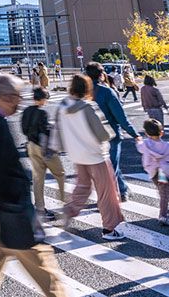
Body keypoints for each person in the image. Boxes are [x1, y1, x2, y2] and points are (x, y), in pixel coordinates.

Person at [0, 75, 67, 297]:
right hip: (12, 214)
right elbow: (4, 173)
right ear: (9, 97)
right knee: (45, 271)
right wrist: (25, 211)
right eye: (18, 97)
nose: (20, 102)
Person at [52, 74, 127, 240]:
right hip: (96, 155)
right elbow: (102, 134)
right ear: (86, 88)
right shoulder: (88, 106)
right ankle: (109, 229)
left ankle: (69, 210)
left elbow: (58, 133)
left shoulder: (63, 107)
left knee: (82, 187)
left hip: (77, 155)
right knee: (107, 193)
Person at [83, 62, 137, 201]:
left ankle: (122, 190)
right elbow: (120, 115)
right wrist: (134, 132)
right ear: (101, 75)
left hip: (92, 137)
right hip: (111, 134)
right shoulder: (107, 91)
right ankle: (113, 197)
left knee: (107, 167)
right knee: (111, 166)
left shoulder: (84, 93)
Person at [20, 87, 65, 220]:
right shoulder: (43, 113)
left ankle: (40, 208)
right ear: (43, 99)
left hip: (31, 146)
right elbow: (45, 131)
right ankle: (64, 201)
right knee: (60, 174)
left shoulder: (26, 111)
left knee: (38, 178)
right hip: (44, 148)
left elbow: (23, 129)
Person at [135, 119, 169, 227]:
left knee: (161, 191)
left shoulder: (145, 145)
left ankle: (165, 209)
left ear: (146, 133)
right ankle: (163, 215)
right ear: (161, 133)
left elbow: (139, 147)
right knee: (165, 194)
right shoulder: (167, 146)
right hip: (163, 171)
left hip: (152, 171)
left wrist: (138, 140)